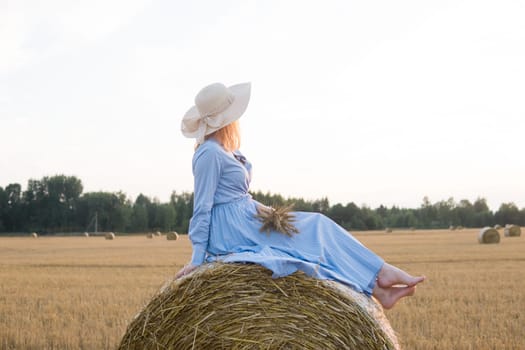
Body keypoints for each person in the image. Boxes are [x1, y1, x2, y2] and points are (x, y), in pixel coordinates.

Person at [176, 82, 425, 309]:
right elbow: (202, 206)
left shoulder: (225, 149)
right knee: (314, 230)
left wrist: (265, 212)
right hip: (232, 231)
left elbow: (237, 194)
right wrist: (198, 258)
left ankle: (378, 285)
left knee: (316, 228)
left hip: (248, 217)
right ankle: (381, 275)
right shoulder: (208, 153)